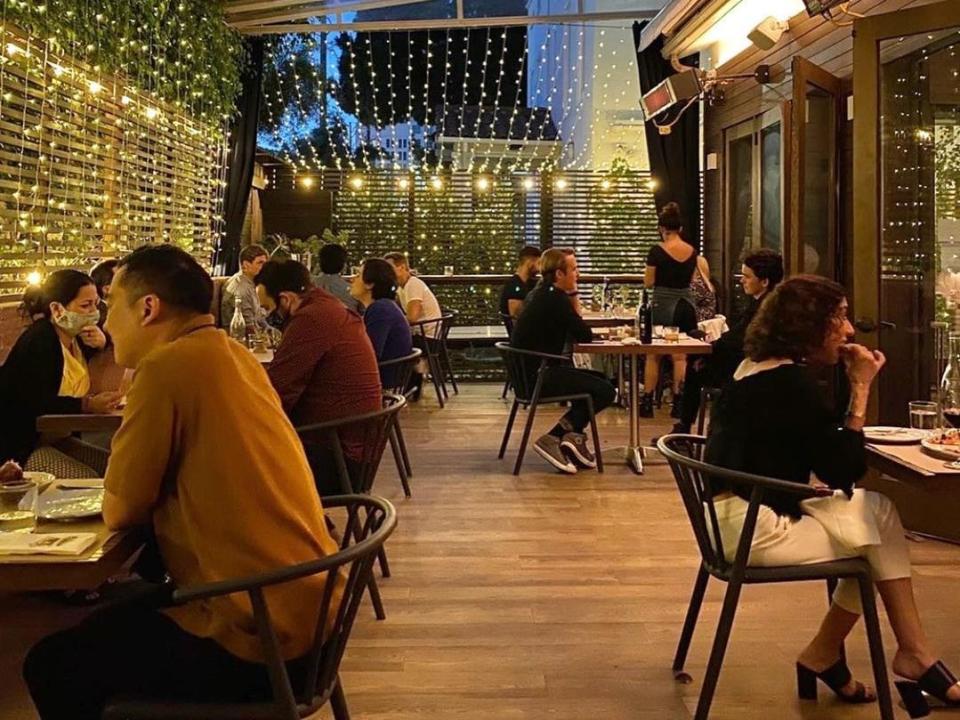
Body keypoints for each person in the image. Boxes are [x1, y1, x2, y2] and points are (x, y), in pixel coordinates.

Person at [23, 245, 344, 720]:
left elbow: (121, 509)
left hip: (259, 638)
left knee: (52, 664)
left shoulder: (166, 368)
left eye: (112, 304)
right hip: (314, 617)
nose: (107, 323)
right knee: (120, 614)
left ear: (148, 308)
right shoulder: (233, 356)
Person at [704, 275, 960, 711]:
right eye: (838, 317)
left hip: (730, 515)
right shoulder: (790, 385)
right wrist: (860, 390)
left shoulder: (755, 368)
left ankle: (838, 654)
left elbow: (806, 447)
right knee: (875, 530)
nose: (848, 331)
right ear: (808, 326)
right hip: (751, 530)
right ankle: (906, 654)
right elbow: (844, 470)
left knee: (876, 517)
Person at [256, 258, 382, 495]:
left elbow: (278, 391)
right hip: (354, 447)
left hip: (341, 459)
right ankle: (312, 527)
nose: (267, 317)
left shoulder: (311, 318)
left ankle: (304, 529)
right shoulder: (327, 307)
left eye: (267, 309)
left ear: (286, 299)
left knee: (238, 466)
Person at [0, 270, 119, 476]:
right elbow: (32, 402)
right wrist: (87, 405)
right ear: (57, 308)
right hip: (23, 449)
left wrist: (104, 342)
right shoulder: (41, 339)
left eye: (95, 304)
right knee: (87, 480)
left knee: (113, 467)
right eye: (85, 305)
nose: (93, 312)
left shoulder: (77, 339)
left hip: (58, 439)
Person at [510, 248, 615, 474]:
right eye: (574, 270)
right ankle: (556, 437)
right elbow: (584, 334)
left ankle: (571, 438)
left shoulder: (540, 293)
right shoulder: (555, 299)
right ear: (559, 274)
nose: (577, 274)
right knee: (605, 390)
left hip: (528, 374)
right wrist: (574, 293)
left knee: (600, 381)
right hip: (540, 376)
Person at [666, 248, 783, 436]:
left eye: (747, 276)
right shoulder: (766, 303)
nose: (741, 280)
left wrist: (709, 350)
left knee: (695, 366)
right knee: (698, 354)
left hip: (746, 370)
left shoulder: (763, 309)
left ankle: (684, 427)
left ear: (765, 281)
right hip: (746, 362)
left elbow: (737, 341)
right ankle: (684, 425)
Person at [641, 202, 699, 418]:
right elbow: (692, 279)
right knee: (680, 356)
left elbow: (648, 282)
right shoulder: (692, 251)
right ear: (680, 228)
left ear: (661, 228)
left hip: (664, 303)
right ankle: (678, 402)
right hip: (686, 303)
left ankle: (646, 402)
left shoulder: (657, 251)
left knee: (653, 354)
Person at [350, 258, 413, 388]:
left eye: (358, 275)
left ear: (370, 284)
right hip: (388, 375)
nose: (352, 279)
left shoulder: (380, 309)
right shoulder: (384, 306)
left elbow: (370, 353)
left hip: (383, 381)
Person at [384, 251, 442, 332]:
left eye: (389, 267)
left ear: (402, 267)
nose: (385, 271)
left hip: (426, 336)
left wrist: (387, 323)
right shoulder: (401, 288)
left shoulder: (413, 284)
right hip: (419, 332)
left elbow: (412, 318)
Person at [220, 244, 268, 331]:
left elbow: (257, 316)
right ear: (246, 265)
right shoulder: (240, 287)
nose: (264, 267)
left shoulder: (250, 283)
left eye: (265, 263)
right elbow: (248, 327)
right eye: (260, 263)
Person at [314, 242, 362, 313]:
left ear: (319, 263)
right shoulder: (353, 291)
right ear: (343, 265)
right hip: (347, 323)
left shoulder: (309, 286)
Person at [499, 245, 541, 319]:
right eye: (538, 263)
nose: (539, 269)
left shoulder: (531, 284)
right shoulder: (513, 286)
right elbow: (516, 317)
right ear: (530, 263)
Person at [690, 254, 717, 322]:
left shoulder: (699, 285)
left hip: (700, 321)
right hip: (705, 320)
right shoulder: (706, 284)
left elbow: (688, 301)